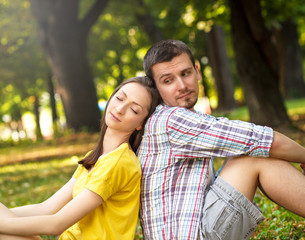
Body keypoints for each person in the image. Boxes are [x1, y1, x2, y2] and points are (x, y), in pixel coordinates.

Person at [137, 39, 305, 240]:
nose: (181, 86)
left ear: (197, 71)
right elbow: (265, 140)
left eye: (185, 73)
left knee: (248, 151)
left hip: (194, 230)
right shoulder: (171, 121)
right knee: (252, 154)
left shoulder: (179, 119)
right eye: (168, 80)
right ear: (156, 88)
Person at [0, 76, 161, 240]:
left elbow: (56, 224)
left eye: (134, 110)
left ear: (141, 124)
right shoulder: (97, 157)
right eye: (119, 98)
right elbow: (47, 208)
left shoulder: (119, 163)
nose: (120, 108)